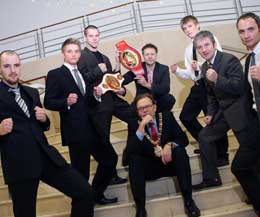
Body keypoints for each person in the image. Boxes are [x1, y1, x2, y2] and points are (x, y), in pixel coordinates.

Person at [0, 50, 94, 217]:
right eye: (7, 66)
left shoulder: (32, 92)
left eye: (16, 65)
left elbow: (44, 126)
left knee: (85, 192)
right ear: (0, 69)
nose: (12, 70)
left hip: (47, 157)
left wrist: (44, 119)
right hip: (20, 164)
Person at [44, 38, 117, 205]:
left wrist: (96, 95)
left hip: (93, 128)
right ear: (63, 54)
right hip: (76, 132)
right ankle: (82, 206)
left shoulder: (83, 74)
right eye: (69, 51)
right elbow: (48, 101)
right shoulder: (55, 74)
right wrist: (65, 102)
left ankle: (95, 194)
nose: (73, 54)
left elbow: (87, 101)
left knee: (110, 160)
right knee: (81, 173)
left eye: (76, 51)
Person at [191, 31, 253, 191]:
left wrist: (218, 79)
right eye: (200, 47)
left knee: (249, 153)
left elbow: (238, 87)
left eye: (206, 45)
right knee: (204, 137)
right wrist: (210, 113)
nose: (204, 50)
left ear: (213, 44)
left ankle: (254, 189)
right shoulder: (204, 67)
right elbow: (211, 95)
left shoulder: (229, 59)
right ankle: (211, 177)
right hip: (221, 113)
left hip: (239, 111)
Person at [123, 93, 200, 217]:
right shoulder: (134, 124)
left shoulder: (167, 117)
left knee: (179, 151)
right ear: (137, 112)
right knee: (134, 160)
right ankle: (140, 208)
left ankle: (188, 200)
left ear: (154, 107)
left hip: (169, 163)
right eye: (140, 108)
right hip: (150, 168)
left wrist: (169, 145)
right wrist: (141, 126)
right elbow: (130, 152)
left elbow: (183, 139)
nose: (144, 110)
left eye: (147, 106)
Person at [78, 25, 132, 189]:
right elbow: (81, 81)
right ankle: (111, 175)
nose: (94, 38)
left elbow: (112, 78)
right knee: (104, 141)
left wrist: (117, 63)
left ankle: (130, 154)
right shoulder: (81, 57)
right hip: (98, 105)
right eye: (91, 36)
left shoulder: (103, 56)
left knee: (134, 116)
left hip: (112, 99)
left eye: (97, 35)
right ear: (85, 37)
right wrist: (96, 70)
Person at [170, 15, 229, 166]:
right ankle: (207, 144)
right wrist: (178, 71)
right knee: (186, 117)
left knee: (214, 119)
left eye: (189, 26)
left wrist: (201, 65)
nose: (187, 30)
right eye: (184, 29)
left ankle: (222, 154)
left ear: (197, 25)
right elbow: (191, 73)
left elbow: (218, 61)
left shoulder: (209, 38)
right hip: (197, 86)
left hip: (209, 84)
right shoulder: (188, 49)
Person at [235, 12, 260, 215]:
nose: (246, 35)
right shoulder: (249, 59)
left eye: (250, 29)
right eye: (242, 31)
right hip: (255, 121)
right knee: (241, 167)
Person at [123, 43, 175, 112]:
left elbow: (165, 89)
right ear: (143, 56)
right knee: (130, 113)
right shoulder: (137, 67)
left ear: (156, 55)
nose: (150, 57)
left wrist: (146, 84)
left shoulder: (163, 68)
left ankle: (157, 119)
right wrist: (118, 63)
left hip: (158, 100)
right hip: (141, 99)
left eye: (152, 54)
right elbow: (123, 80)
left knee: (169, 98)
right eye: (147, 54)